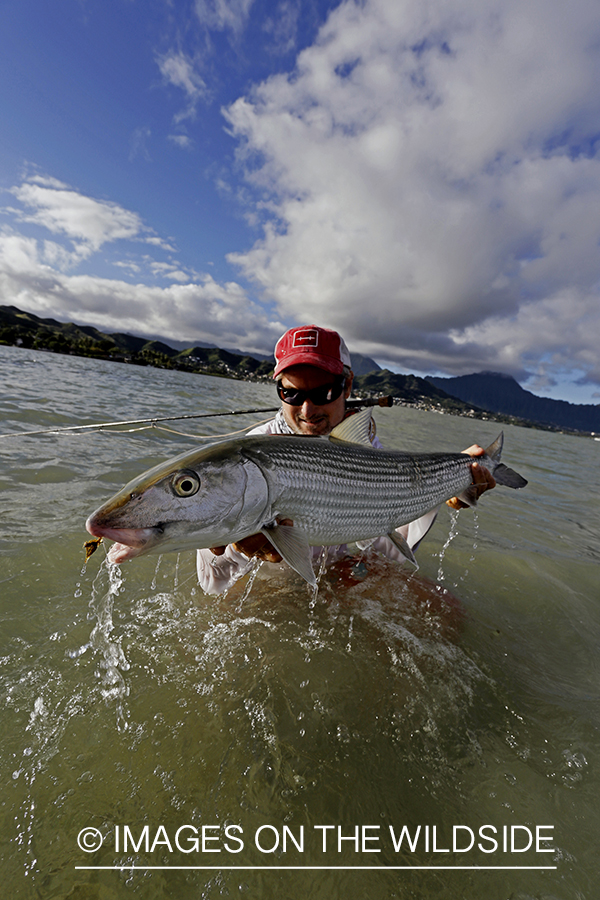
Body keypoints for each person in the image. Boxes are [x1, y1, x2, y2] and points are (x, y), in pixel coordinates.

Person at [196, 324, 495, 595]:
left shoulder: (366, 447)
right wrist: (240, 549)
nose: (307, 410)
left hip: (334, 577)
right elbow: (211, 582)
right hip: (270, 585)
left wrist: (447, 484)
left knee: (447, 611)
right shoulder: (247, 457)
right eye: (291, 394)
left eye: (324, 392)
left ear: (348, 386)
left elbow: (384, 551)